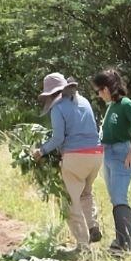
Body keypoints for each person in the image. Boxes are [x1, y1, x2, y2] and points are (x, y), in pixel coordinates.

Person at [32, 72, 101, 250]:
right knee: (86, 193)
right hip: (96, 154)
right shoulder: (83, 100)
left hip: (75, 156)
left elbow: (58, 138)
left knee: (70, 200)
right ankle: (93, 225)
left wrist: (41, 151)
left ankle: (83, 245)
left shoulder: (58, 108)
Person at [92, 68, 131, 255]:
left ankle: (128, 243)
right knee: (114, 198)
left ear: (107, 88)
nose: (99, 95)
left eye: (99, 90)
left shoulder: (125, 104)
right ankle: (120, 240)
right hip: (108, 154)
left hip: (120, 154)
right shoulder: (112, 106)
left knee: (119, 198)